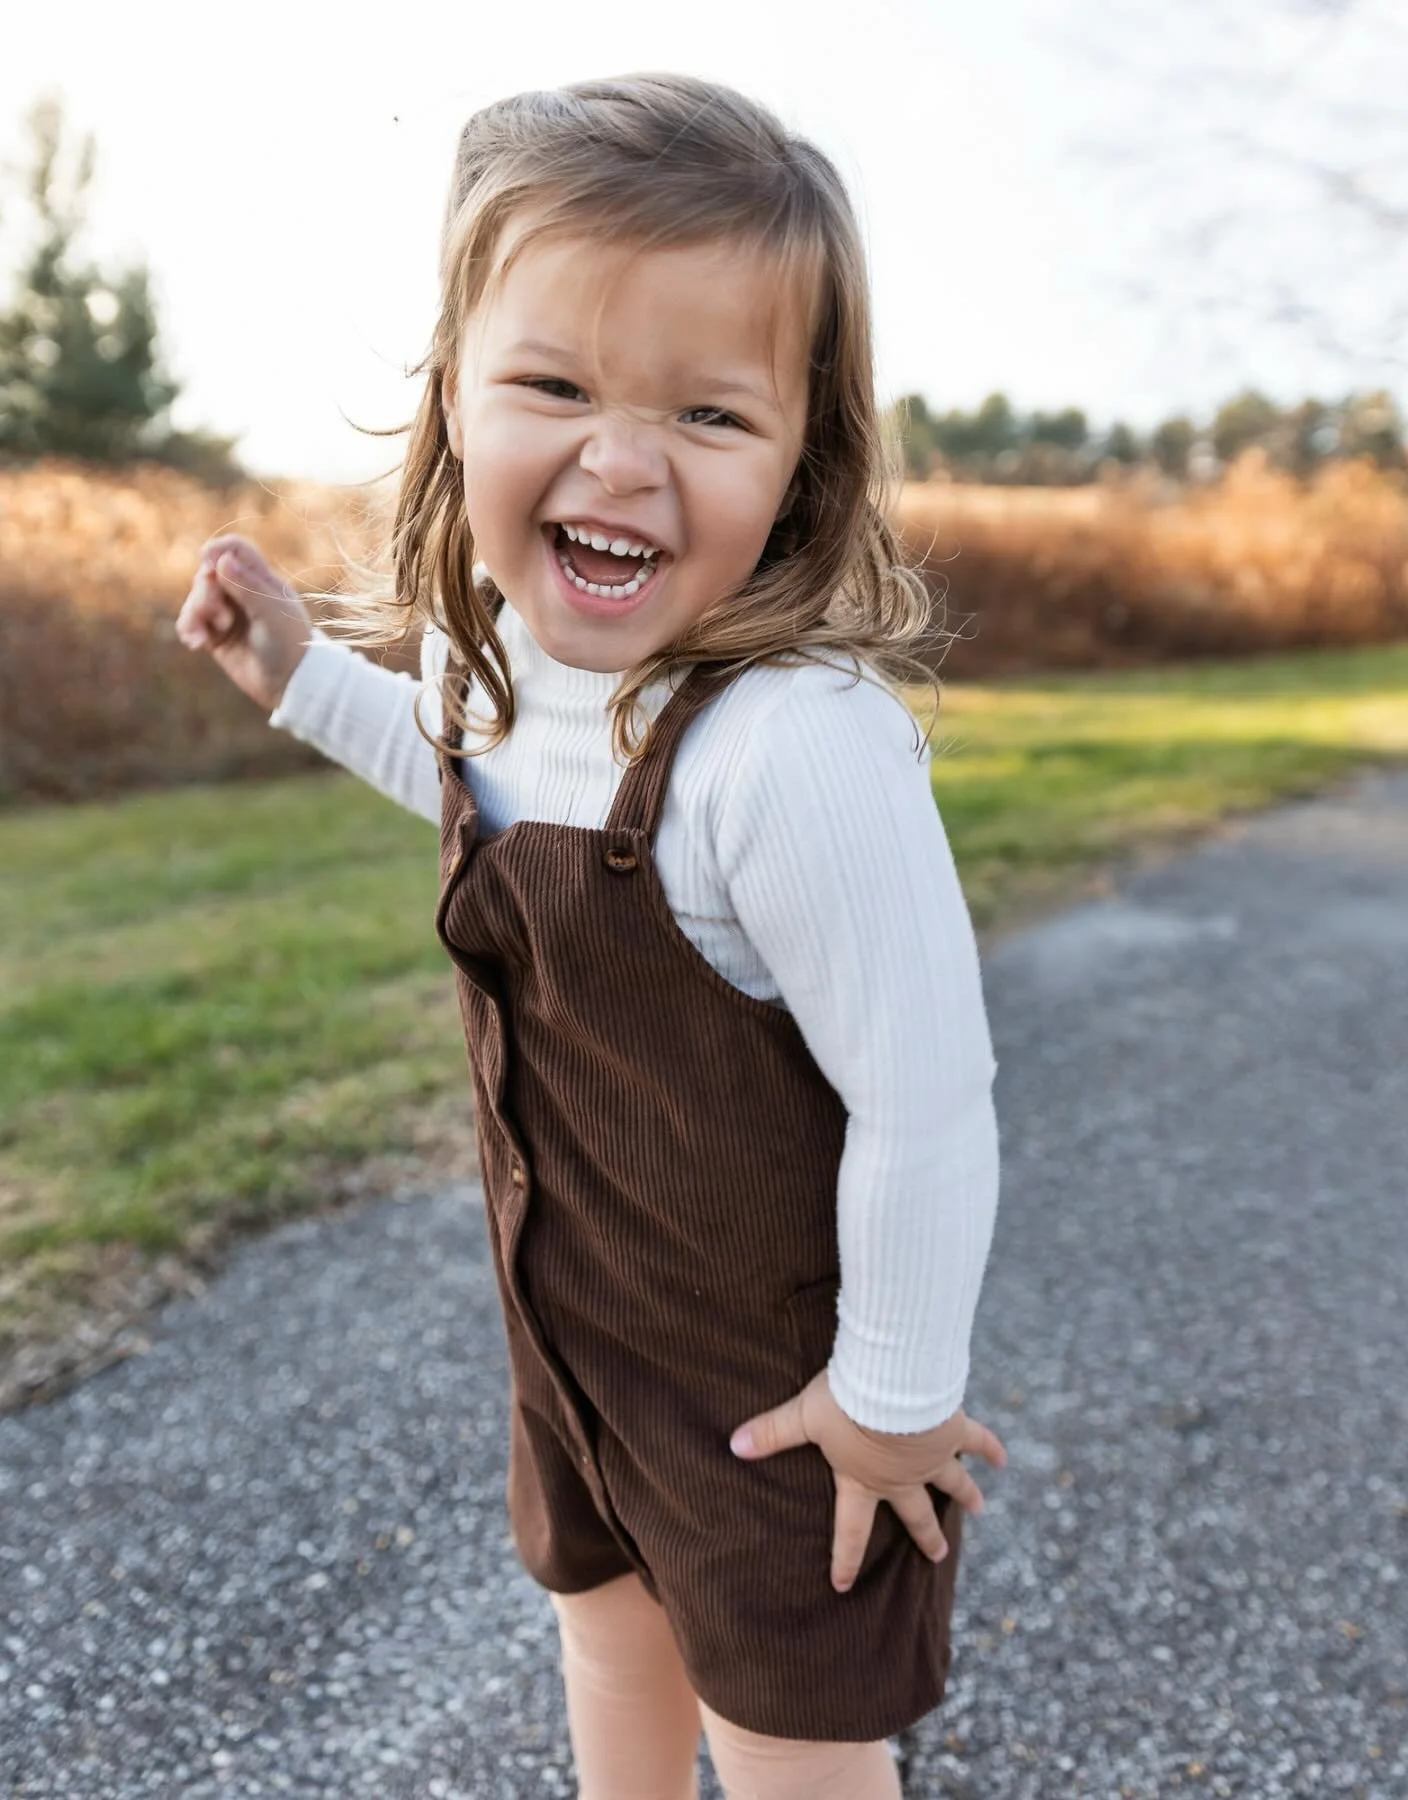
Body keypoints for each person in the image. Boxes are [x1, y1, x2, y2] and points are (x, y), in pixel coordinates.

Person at [174, 72, 1006, 1800]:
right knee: (608, 1630)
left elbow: (930, 1103)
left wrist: (895, 1395)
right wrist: (296, 679)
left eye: (708, 416)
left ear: (800, 464)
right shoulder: (522, 677)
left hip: (784, 1396)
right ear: (456, 407)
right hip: (578, 1344)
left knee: (786, 1731)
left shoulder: (792, 747)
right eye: (554, 385)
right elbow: (469, 782)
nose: (618, 457)